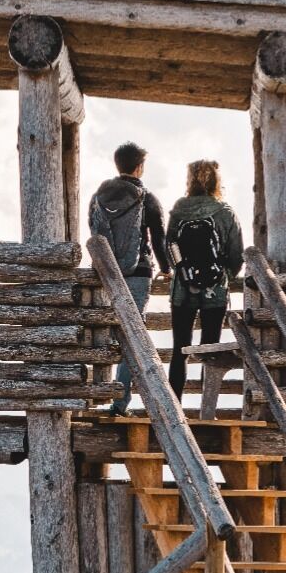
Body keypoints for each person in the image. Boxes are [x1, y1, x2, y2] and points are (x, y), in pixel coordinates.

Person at [87, 141, 167, 413]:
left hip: (107, 272)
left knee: (105, 330)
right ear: (139, 167)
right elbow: (158, 237)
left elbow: (94, 230)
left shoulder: (99, 196)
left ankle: (97, 393)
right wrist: (167, 268)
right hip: (138, 272)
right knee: (132, 333)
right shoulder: (146, 197)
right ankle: (120, 402)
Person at [164, 159, 244, 404]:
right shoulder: (225, 212)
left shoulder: (179, 210)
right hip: (215, 291)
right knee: (210, 350)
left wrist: (184, 273)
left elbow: (170, 247)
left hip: (182, 290)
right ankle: (206, 408)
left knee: (180, 349)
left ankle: (174, 407)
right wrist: (223, 275)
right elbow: (237, 255)